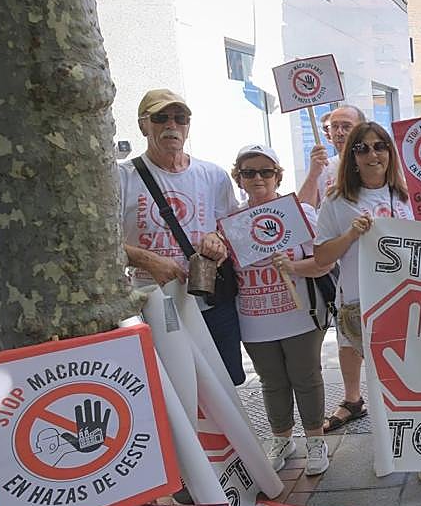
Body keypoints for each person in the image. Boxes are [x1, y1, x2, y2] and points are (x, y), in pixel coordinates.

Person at [313, 123, 421, 484]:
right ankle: (387, 450)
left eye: (380, 146)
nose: (373, 155)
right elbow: (321, 256)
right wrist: (352, 234)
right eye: (363, 149)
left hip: (410, 301)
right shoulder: (338, 202)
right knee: (381, 381)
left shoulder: (407, 195)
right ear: (351, 157)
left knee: (417, 378)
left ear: (390, 152)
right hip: (362, 304)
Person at [120, 88, 244, 384]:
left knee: (222, 388)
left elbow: (231, 229)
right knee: (171, 391)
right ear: (143, 125)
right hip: (153, 306)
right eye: (161, 117)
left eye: (180, 118)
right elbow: (99, 244)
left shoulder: (213, 175)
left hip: (210, 302)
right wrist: (146, 259)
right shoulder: (122, 177)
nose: (171, 125)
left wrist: (219, 241)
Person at [231, 145, 334, 475]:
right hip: (254, 318)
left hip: (299, 313)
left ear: (278, 175)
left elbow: (323, 262)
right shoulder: (231, 222)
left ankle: (316, 441)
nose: (258, 177)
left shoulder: (300, 213)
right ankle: (282, 439)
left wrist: (293, 267)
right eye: (249, 172)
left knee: (306, 378)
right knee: (271, 382)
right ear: (238, 178)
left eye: (266, 171)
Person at [297, 104, 363, 209]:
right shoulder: (323, 167)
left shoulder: (374, 164)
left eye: (346, 126)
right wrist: (313, 174)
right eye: (334, 126)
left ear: (362, 130)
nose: (339, 132)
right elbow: (303, 212)